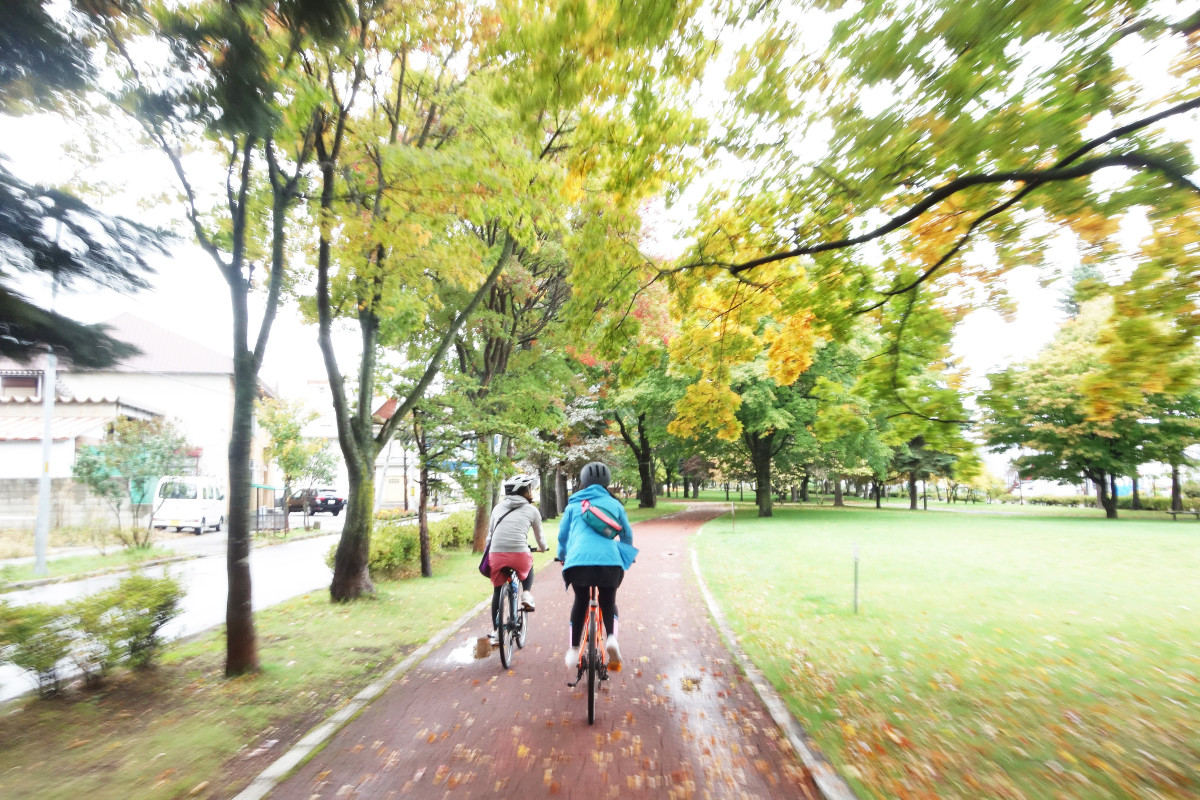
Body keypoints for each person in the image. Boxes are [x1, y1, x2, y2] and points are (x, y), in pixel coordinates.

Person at [556, 461, 637, 671]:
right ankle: (611, 639)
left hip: (578, 563)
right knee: (608, 603)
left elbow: (563, 536)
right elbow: (627, 534)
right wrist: (626, 553)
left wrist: (562, 556)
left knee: (581, 601)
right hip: (609, 563)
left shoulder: (573, 505)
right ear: (607, 481)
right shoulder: (616, 505)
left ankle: (574, 650)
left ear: (583, 481)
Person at [485, 474, 547, 641]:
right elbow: (539, 537)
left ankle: (497, 632)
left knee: (497, 591)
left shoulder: (497, 508)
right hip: (519, 553)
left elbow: (490, 536)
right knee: (528, 565)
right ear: (525, 491)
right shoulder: (532, 510)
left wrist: (490, 552)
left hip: (496, 554)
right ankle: (526, 594)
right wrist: (543, 548)